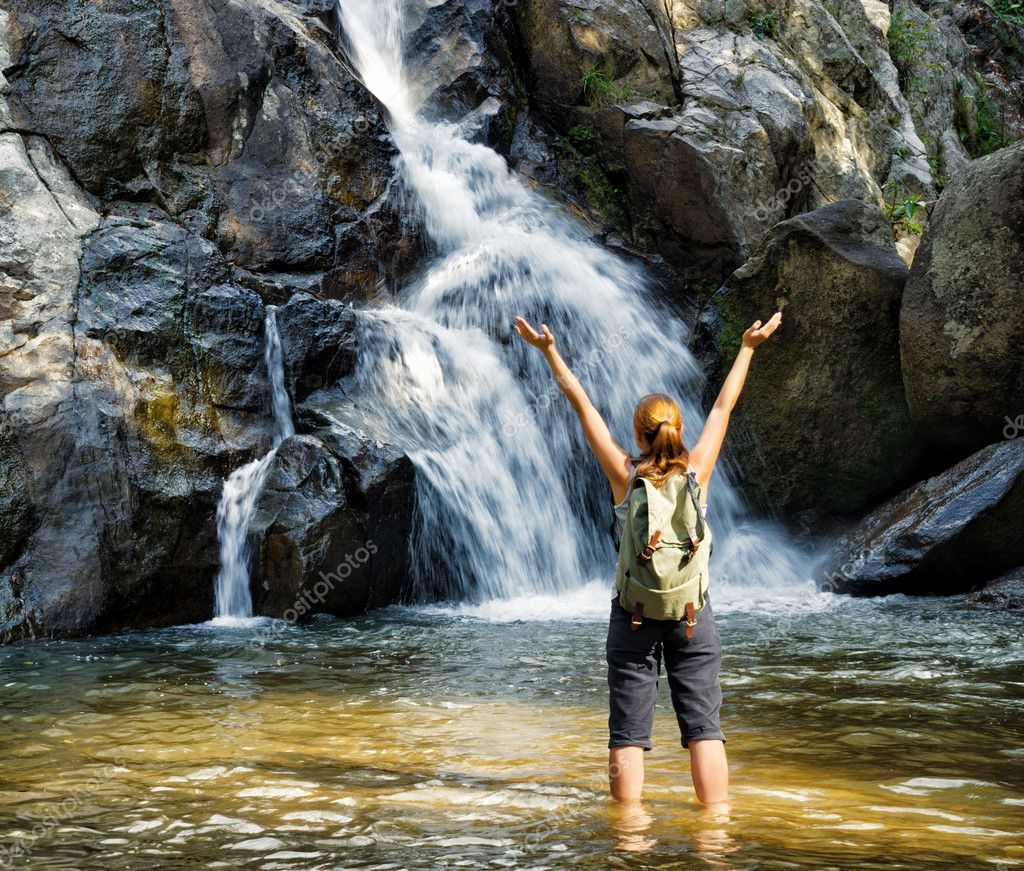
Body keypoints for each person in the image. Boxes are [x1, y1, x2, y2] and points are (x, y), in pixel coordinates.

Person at [512, 311, 782, 806]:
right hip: (692, 614)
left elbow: (581, 404)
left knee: (628, 732)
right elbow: (723, 408)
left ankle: (631, 833)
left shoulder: (624, 474)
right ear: (678, 430)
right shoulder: (697, 469)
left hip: (633, 615)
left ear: (639, 437)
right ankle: (715, 830)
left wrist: (548, 350)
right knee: (704, 725)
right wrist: (748, 347)